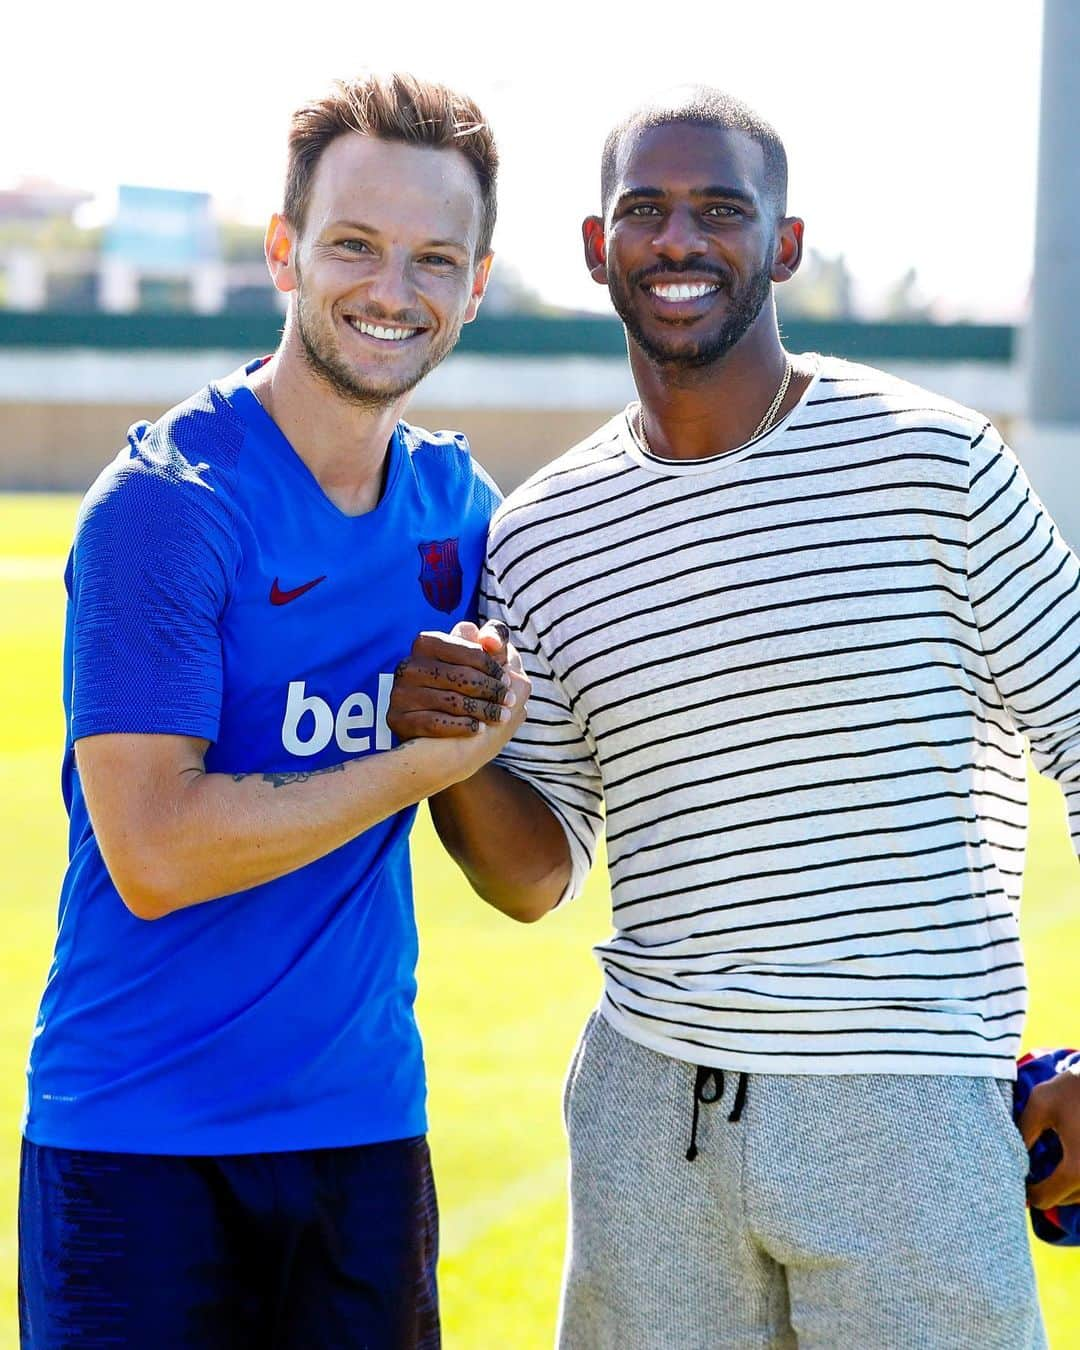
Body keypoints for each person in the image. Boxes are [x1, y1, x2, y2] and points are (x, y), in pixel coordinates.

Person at [389, 86, 1080, 1348]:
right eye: (643, 211)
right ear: (598, 249)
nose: (678, 241)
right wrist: (449, 752)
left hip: (909, 1114)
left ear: (786, 243)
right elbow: (539, 875)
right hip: (652, 1123)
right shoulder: (543, 534)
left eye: (722, 209)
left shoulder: (936, 461)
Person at [18, 73, 532, 1350]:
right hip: (138, 1148)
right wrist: (418, 765)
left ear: (474, 288)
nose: (389, 289)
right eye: (354, 245)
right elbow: (157, 851)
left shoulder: (459, 515)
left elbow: (528, 884)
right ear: (285, 251)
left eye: (433, 259)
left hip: (364, 1138)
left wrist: (481, 740)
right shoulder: (167, 504)